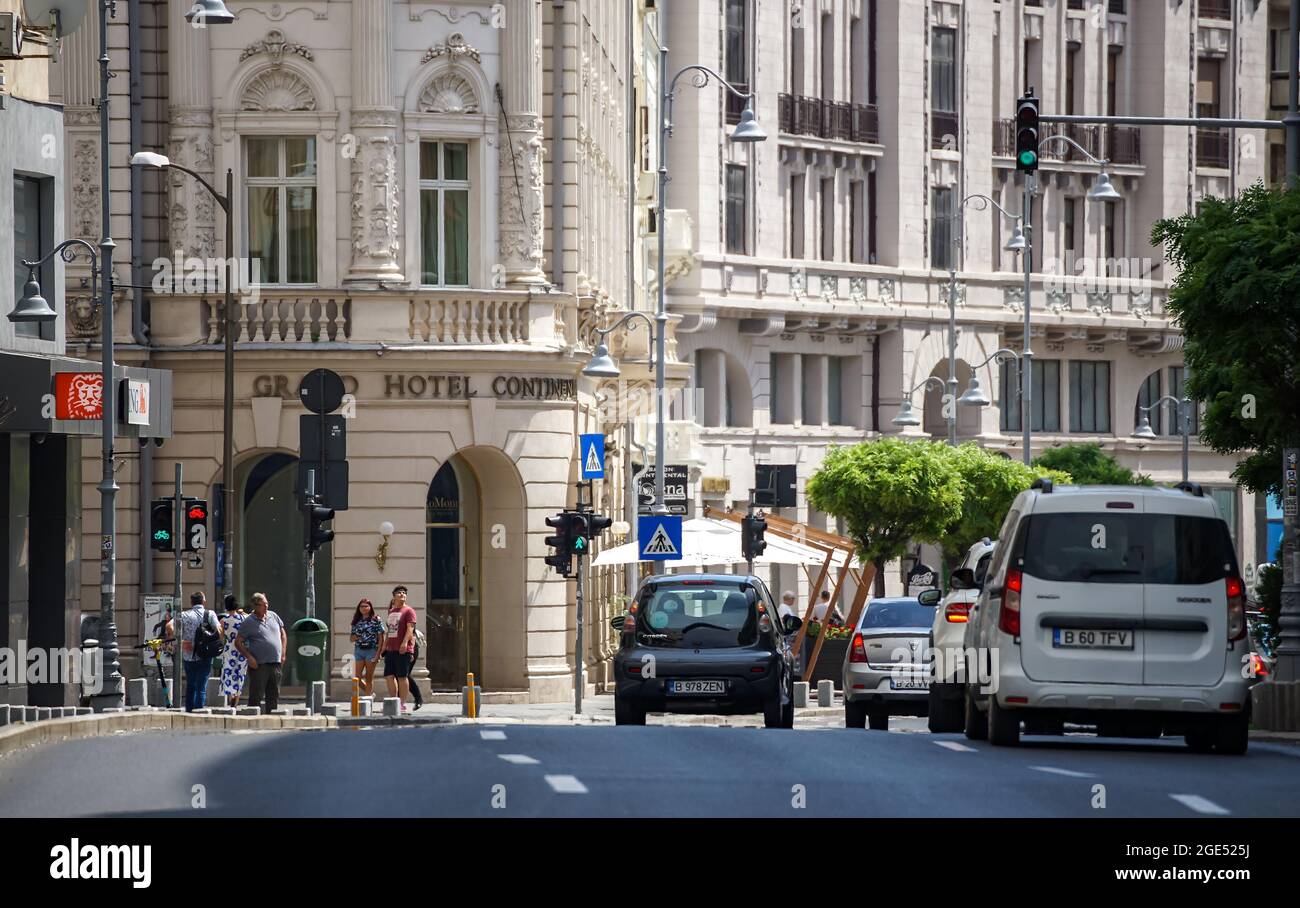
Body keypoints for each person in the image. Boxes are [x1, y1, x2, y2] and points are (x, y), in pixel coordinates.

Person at [167, 591, 223, 712]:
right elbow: (219, 629)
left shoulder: (184, 615)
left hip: (188, 656)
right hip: (205, 655)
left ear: (191, 602)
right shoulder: (210, 614)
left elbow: (168, 626)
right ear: (203, 601)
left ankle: (189, 712)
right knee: (201, 687)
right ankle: (199, 712)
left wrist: (181, 642)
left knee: (190, 686)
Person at [235, 592, 287, 713]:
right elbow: (238, 642)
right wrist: (249, 657)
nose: (267, 606)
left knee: (273, 695)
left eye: (267, 603)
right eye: (264, 604)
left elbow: (283, 633)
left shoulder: (273, 616)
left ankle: (272, 720)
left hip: (275, 663)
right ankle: (252, 721)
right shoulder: (249, 622)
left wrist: (283, 653)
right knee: (256, 695)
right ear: (256, 605)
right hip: (259, 664)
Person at [383, 585, 418, 711]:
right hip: (391, 649)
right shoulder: (392, 612)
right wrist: (384, 647)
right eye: (399, 593)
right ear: (394, 596)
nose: (402, 594)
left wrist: (404, 643)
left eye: (404, 593)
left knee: (402, 676)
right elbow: (390, 631)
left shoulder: (409, 611)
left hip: (403, 649)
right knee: (389, 676)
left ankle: (402, 704)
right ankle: (394, 701)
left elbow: (410, 629)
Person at [350, 598, 385, 696]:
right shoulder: (356, 621)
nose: (364, 608)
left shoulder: (376, 619)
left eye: (366, 606)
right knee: (356, 678)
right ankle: (369, 694)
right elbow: (351, 638)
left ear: (370, 607)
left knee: (369, 677)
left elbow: (381, 637)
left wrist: (378, 654)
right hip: (359, 650)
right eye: (361, 606)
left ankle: (367, 699)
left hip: (371, 650)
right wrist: (356, 637)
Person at [219, 594, 249, 708]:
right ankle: (236, 699)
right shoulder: (243, 619)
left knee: (229, 673)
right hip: (241, 649)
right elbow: (251, 617)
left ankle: (231, 697)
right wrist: (243, 612)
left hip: (229, 649)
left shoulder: (223, 621)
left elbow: (221, 638)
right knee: (239, 674)